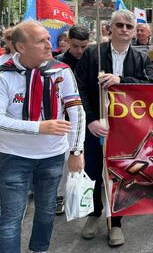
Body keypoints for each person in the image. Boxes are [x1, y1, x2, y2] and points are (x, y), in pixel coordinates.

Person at [0, 20, 85, 253]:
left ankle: (39, 249)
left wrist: (77, 150)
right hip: (13, 156)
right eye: (41, 41)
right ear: (21, 47)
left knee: (47, 211)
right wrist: (39, 127)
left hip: (53, 155)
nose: (50, 44)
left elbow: (77, 111)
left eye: (48, 38)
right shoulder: (3, 73)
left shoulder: (62, 70)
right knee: (10, 217)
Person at [75, 9, 153, 247]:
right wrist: (90, 119)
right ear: (110, 28)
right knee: (93, 172)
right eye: (119, 25)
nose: (124, 30)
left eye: (129, 27)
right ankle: (94, 214)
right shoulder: (92, 54)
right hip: (96, 126)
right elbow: (78, 88)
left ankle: (116, 221)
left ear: (134, 31)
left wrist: (122, 81)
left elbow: (151, 85)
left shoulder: (141, 57)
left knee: (120, 175)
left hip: (127, 129)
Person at [54, 25, 90, 214]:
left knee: (83, 159)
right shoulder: (58, 63)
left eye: (84, 47)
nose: (79, 51)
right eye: (75, 46)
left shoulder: (92, 60)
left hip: (88, 117)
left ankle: (80, 193)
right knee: (64, 160)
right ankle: (59, 195)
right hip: (66, 119)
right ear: (67, 42)